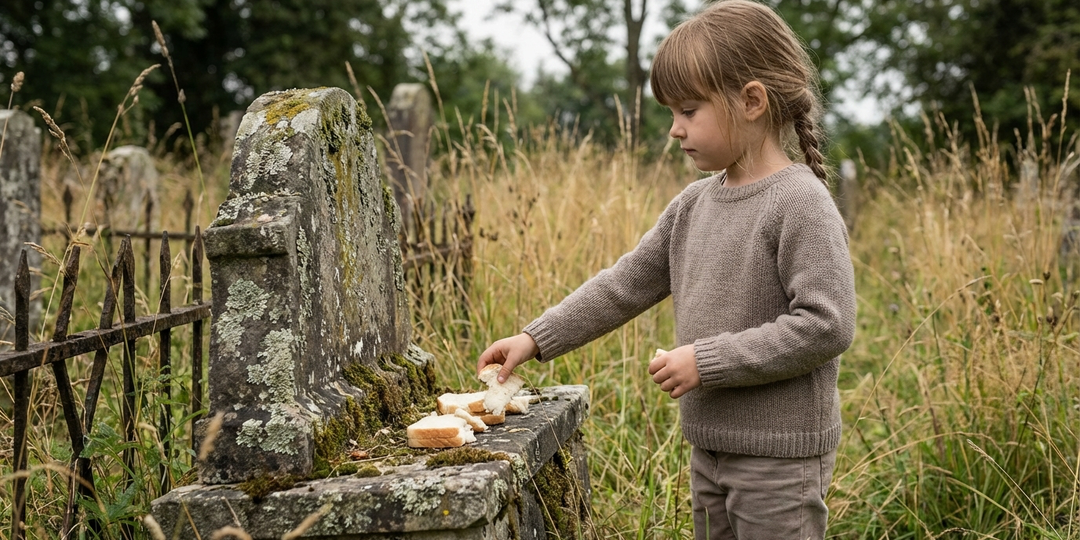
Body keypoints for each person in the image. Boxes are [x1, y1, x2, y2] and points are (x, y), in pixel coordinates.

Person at [476, 1, 856, 538]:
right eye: (671, 113)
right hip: (710, 449)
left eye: (689, 111)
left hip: (780, 462)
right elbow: (622, 286)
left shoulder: (800, 202)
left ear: (751, 101)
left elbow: (826, 324)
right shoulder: (693, 204)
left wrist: (706, 360)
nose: (675, 130)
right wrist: (535, 339)